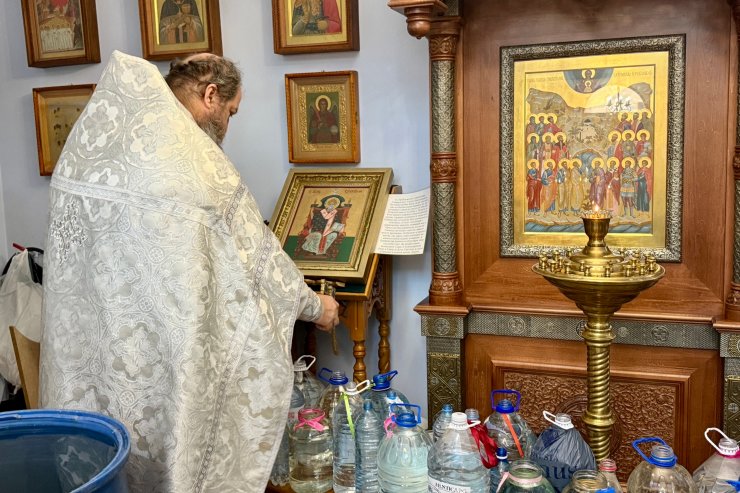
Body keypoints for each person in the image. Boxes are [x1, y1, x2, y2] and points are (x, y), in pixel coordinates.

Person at [40, 51, 340, 492]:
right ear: (210, 94)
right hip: (163, 355)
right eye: (230, 112)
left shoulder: (94, 143)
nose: (228, 125)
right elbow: (260, 260)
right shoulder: (196, 160)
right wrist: (316, 306)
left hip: (94, 355)